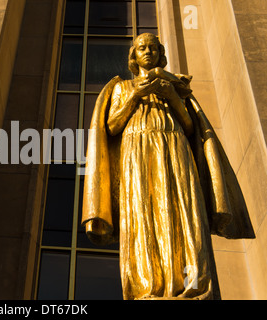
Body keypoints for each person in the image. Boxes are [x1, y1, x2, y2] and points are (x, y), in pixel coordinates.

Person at [82, 33, 254, 300]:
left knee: (184, 212)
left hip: (174, 149)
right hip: (136, 153)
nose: (147, 51)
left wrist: (172, 96)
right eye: (142, 48)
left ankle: (192, 284)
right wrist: (135, 96)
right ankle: (148, 286)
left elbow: (189, 126)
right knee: (142, 215)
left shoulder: (174, 86)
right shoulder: (122, 87)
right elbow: (112, 126)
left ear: (160, 52)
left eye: (153, 47)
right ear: (134, 55)